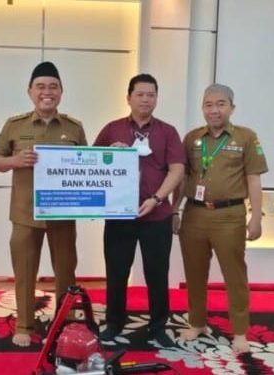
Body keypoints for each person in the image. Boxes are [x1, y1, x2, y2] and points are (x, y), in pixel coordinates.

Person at [0, 61, 87, 347]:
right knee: (24, 270)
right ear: (30, 91)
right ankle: (24, 324)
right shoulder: (14, 125)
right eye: (41, 87)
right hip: (25, 213)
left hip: (63, 213)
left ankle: (65, 322)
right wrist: (15, 161)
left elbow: (88, 165)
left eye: (53, 87)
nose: (47, 92)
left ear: (61, 92)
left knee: (66, 271)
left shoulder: (74, 127)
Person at [172, 83, 268, 354]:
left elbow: (254, 179)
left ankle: (239, 332)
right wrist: (173, 210)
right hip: (194, 214)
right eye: (208, 105)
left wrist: (255, 217)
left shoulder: (246, 138)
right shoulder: (192, 139)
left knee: (234, 275)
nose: (214, 110)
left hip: (230, 216)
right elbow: (183, 178)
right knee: (194, 273)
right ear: (203, 108)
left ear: (232, 108)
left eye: (220, 104)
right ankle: (197, 322)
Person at [93, 73, 185, 347]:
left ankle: (158, 326)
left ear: (157, 98)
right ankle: (114, 322)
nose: (146, 99)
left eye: (151, 94)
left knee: (157, 272)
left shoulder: (167, 132)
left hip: (156, 214)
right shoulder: (113, 129)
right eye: (140, 94)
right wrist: (111, 152)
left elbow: (177, 169)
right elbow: (93, 162)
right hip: (120, 215)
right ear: (129, 97)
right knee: (117, 271)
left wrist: (158, 198)